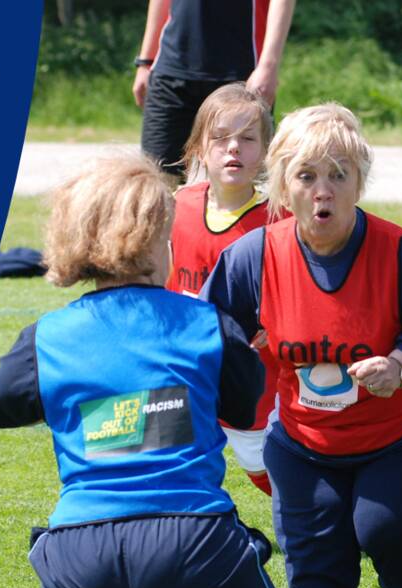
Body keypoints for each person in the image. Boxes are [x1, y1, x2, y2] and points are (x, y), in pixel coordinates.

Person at [0, 155, 299, 588]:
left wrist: (109, 411)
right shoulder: (206, 323)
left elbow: (1, 407)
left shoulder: (46, 335)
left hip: (76, 552)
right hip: (190, 541)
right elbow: (242, 403)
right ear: (156, 241)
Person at [203, 104, 402, 588]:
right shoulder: (253, 257)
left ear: (359, 183)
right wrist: (235, 362)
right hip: (304, 440)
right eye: (306, 176)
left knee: (386, 527)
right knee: (313, 535)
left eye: (338, 175)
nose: (323, 191)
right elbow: (209, 332)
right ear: (280, 188)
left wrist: (398, 365)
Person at [169, 83, 284, 495]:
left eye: (248, 139)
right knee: (173, 459)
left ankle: (317, 521)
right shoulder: (176, 207)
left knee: (262, 462)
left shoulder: (281, 220)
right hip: (184, 368)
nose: (233, 148)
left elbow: (302, 293)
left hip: (252, 375)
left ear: (267, 151)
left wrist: (280, 326)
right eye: (220, 138)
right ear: (200, 147)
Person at [132, 0, 296, 177]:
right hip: (171, 69)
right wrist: (146, 61)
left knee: (245, 183)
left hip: (242, 74)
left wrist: (268, 65)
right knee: (157, 180)